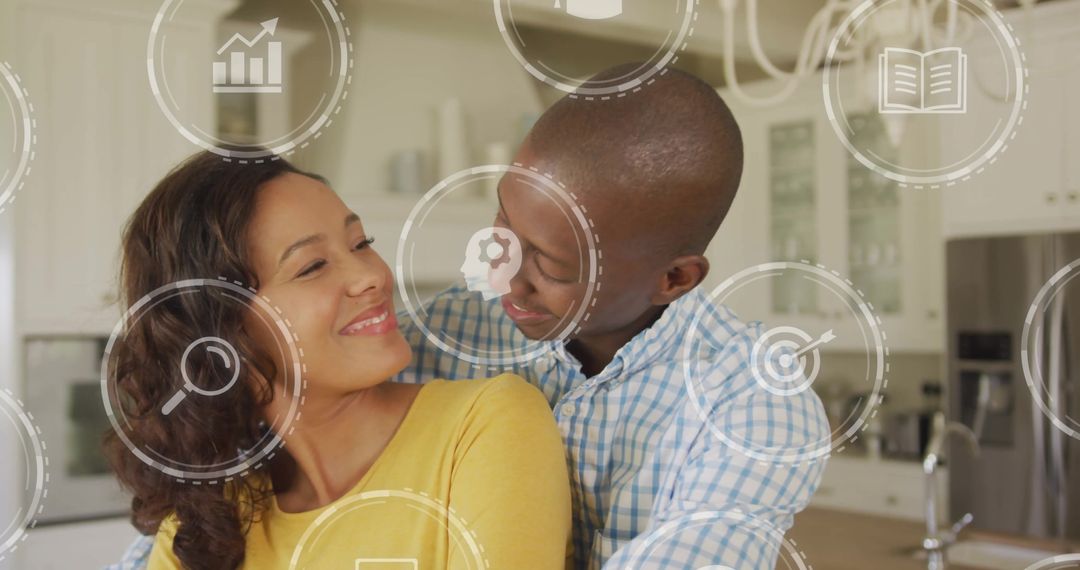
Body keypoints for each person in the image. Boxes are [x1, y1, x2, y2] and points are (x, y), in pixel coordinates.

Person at [114, 65, 829, 569]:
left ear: (673, 280)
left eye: (550, 262)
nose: (504, 271)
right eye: (503, 223)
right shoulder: (449, 331)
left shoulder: (751, 396)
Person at [105, 152, 572, 570]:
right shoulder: (206, 522)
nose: (371, 276)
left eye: (360, 242)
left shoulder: (486, 425)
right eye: (312, 267)